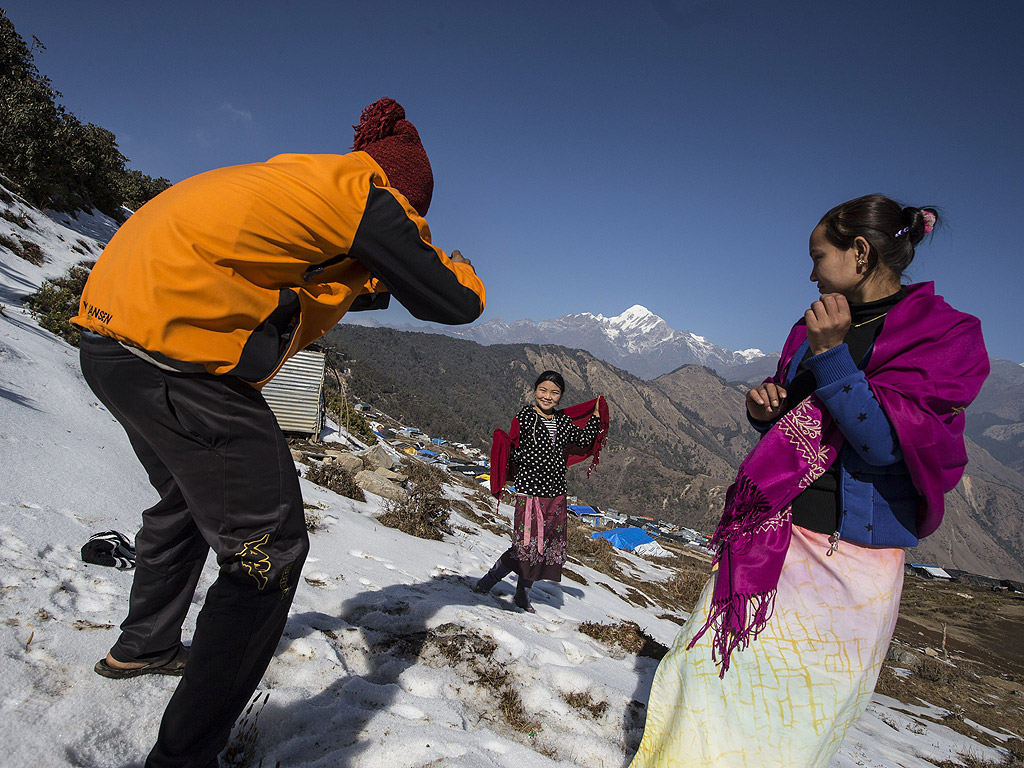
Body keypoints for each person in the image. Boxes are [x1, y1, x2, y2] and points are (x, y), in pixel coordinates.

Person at [72, 97, 486, 768]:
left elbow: (335, 279)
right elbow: (453, 303)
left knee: (186, 496)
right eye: (415, 216)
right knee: (269, 554)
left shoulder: (301, 186)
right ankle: (184, 757)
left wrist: (373, 278)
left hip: (112, 343)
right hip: (181, 361)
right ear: (407, 194)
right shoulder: (372, 196)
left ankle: (143, 643)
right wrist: (459, 263)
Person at [628, 195, 989, 768]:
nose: (811, 271)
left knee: (789, 717)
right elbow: (796, 418)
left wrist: (833, 355)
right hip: (773, 534)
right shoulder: (812, 324)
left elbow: (885, 445)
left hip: (851, 564)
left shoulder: (945, 337)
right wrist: (763, 407)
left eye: (819, 256)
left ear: (861, 253)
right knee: (706, 676)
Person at [477, 371, 607, 612]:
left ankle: (522, 594)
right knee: (524, 545)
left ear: (561, 396)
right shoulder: (525, 416)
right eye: (543, 390)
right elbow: (517, 449)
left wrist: (596, 416)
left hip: (556, 492)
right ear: (535, 390)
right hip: (530, 491)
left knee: (544, 545)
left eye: (554, 392)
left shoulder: (564, 422)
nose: (547, 396)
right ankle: (488, 581)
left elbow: (583, 440)